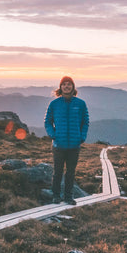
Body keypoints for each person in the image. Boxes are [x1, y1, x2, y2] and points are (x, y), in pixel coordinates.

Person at [44, 76, 90, 205]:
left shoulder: (80, 104)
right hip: (58, 144)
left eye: (69, 84)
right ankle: (56, 196)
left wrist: (82, 137)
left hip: (74, 145)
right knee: (58, 172)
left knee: (70, 172)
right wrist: (53, 134)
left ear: (73, 87)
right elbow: (47, 121)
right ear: (60, 87)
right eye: (64, 84)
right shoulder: (54, 104)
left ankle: (69, 197)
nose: (66, 86)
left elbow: (85, 122)